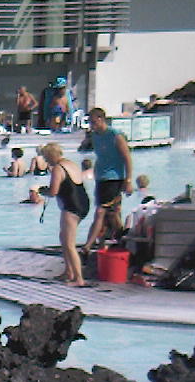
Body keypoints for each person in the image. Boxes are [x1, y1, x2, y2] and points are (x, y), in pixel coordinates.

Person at [82, 107, 134, 253]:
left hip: (114, 178)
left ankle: (88, 245)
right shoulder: (95, 136)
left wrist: (128, 180)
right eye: (90, 122)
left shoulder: (115, 135)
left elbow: (127, 158)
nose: (92, 125)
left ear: (101, 119)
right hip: (101, 178)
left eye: (93, 122)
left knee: (101, 212)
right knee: (111, 213)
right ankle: (112, 239)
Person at [42, 142, 91, 286]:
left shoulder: (58, 168)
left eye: (46, 157)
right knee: (63, 237)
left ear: (51, 156)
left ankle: (78, 278)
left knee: (69, 243)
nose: (46, 161)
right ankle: (68, 272)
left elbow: (53, 192)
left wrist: (42, 191)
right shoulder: (71, 164)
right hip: (83, 203)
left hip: (71, 206)